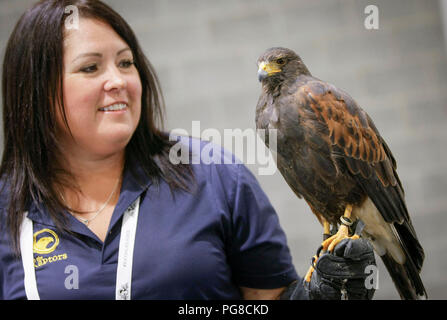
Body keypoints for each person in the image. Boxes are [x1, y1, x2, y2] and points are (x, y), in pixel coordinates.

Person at [0, 0, 375, 300]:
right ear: (36, 90)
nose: (118, 80)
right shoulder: (6, 209)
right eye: (90, 68)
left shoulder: (214, 174)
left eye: (126, 62)